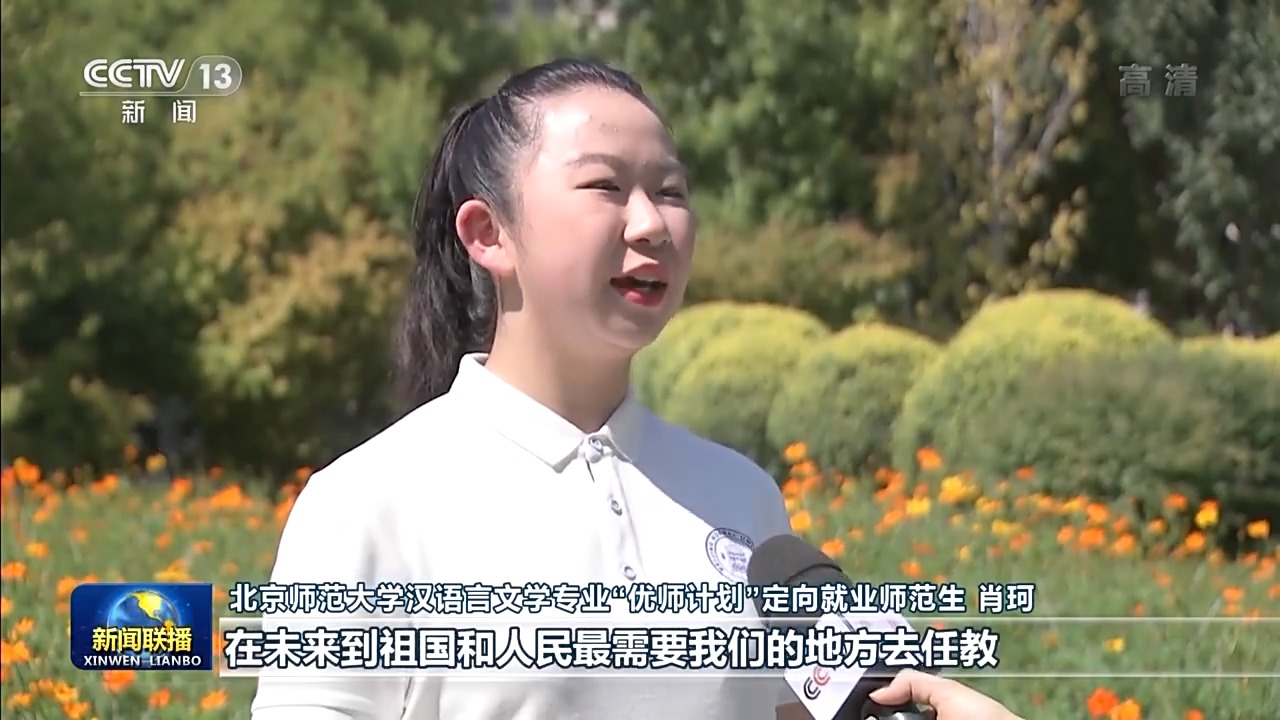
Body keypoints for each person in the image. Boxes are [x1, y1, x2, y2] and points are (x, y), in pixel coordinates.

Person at [248, 57, 1025, 720]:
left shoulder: (742, 496)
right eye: (605, 186)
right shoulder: (368, 502)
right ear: (488, 234)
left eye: (671, 191)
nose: (651, 223)